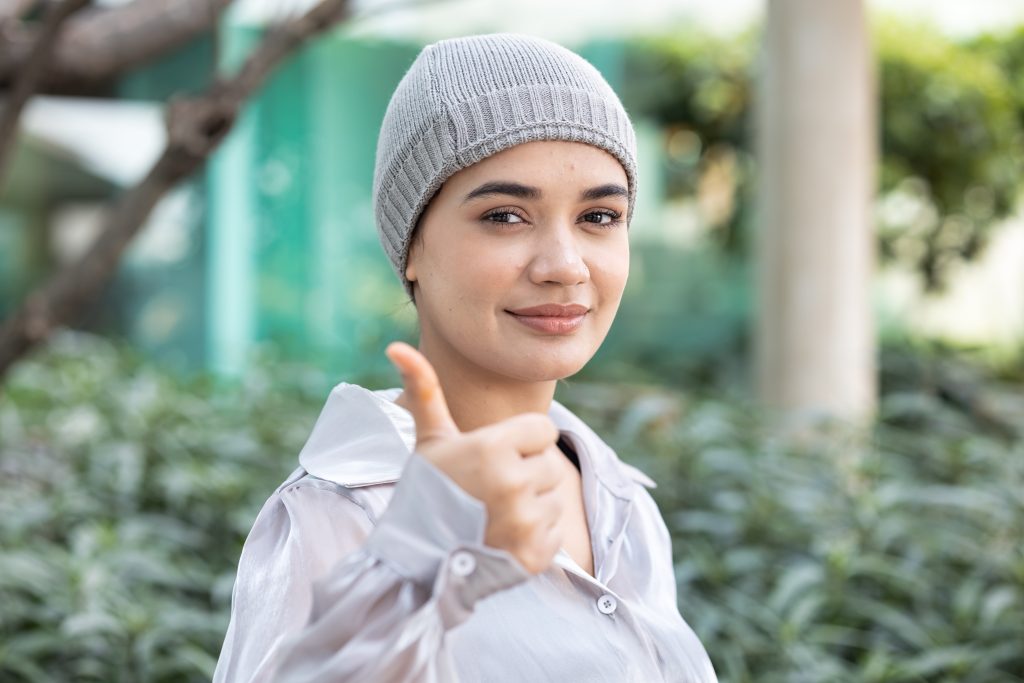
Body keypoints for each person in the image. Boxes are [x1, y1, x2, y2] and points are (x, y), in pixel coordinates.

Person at [213, 32, 718, 682]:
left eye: (599, 216)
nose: (565, 266)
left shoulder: (622, 502)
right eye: (506, 216)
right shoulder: (343, 512)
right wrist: (412, 555)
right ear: (412, 247)